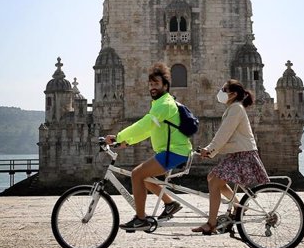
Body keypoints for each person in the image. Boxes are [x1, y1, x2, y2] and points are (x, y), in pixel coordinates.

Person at [105, 62, 193, 231]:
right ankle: (170, 204)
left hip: (175, 152)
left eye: (156, 84)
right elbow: (148, 130)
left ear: (165, 86)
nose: (152, 87)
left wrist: (119, 136)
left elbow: (144, 125)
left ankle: (141, 218)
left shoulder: (164, 104)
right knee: (144, 177)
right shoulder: (160, 104)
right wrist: (126, 142)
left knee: (137, 174)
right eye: (151, 84)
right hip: (173, 151)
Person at [193, 79, 269, 235]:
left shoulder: (236, 109)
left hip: (243, 154)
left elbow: (224, 133)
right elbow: (226, 136)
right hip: (238, 154)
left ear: (233, 94)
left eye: (224, 89)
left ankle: (211, 223)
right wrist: (211, 151)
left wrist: (209, 149)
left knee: (214, 182)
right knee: (212, 176)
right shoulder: (233, 108)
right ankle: (238, 205)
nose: (221, 92)